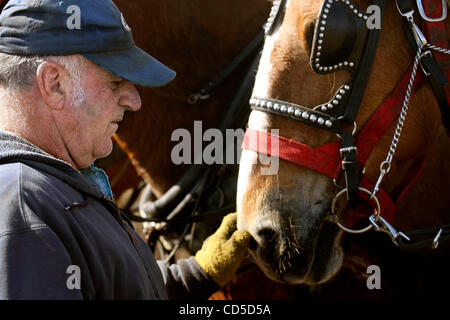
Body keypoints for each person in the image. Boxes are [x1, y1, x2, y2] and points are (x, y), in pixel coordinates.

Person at [0, 0, 250, 299]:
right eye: (116, 81)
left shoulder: (46, 192)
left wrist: (196, 275)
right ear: (54, 84)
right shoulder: (26, 213)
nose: (134, 101)